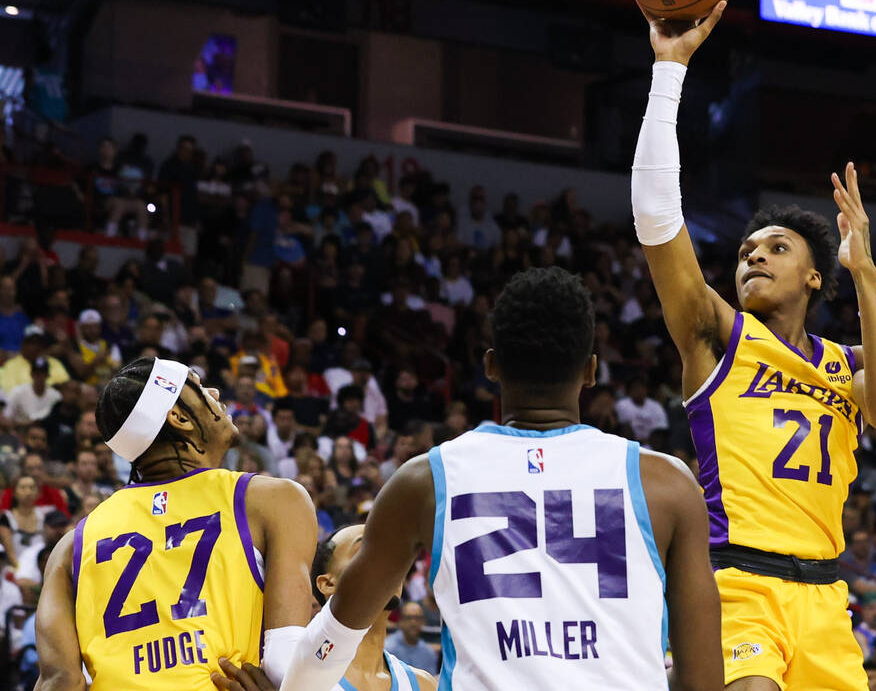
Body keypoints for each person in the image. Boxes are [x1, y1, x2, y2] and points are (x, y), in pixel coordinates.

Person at [630, 2, 876, 690]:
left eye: (775, 249)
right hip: (736, 583)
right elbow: (658, 220)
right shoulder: (715, 334)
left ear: (815, 276)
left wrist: (866, 273)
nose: (753, 257)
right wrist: (670, 71)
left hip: (825, 599)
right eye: (747, 251)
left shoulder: (849, 364)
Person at [278, 266, 722, 691]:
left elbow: (331, 641)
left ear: (491, 366)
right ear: (590, 371)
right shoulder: (667, 483)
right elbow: (702, 681)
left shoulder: (422, 482)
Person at [33, 356, 319, 691]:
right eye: (198, 386)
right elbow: (286, 658)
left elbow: (60, 681)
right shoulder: (270, 500)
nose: (213, 390)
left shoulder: (71, 546)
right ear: (178, 417)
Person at [310, 526, 436, 691]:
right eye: (364, 551)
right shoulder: (293, 673)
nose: (388, 563)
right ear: (328, 584)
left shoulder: (424, 684)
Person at [384, 601, 440, 678]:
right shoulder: (387, 649)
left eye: (417, 618)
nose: (413, 622)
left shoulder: (429, 652)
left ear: (423, 622)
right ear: (400, 621)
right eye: (408, 618)